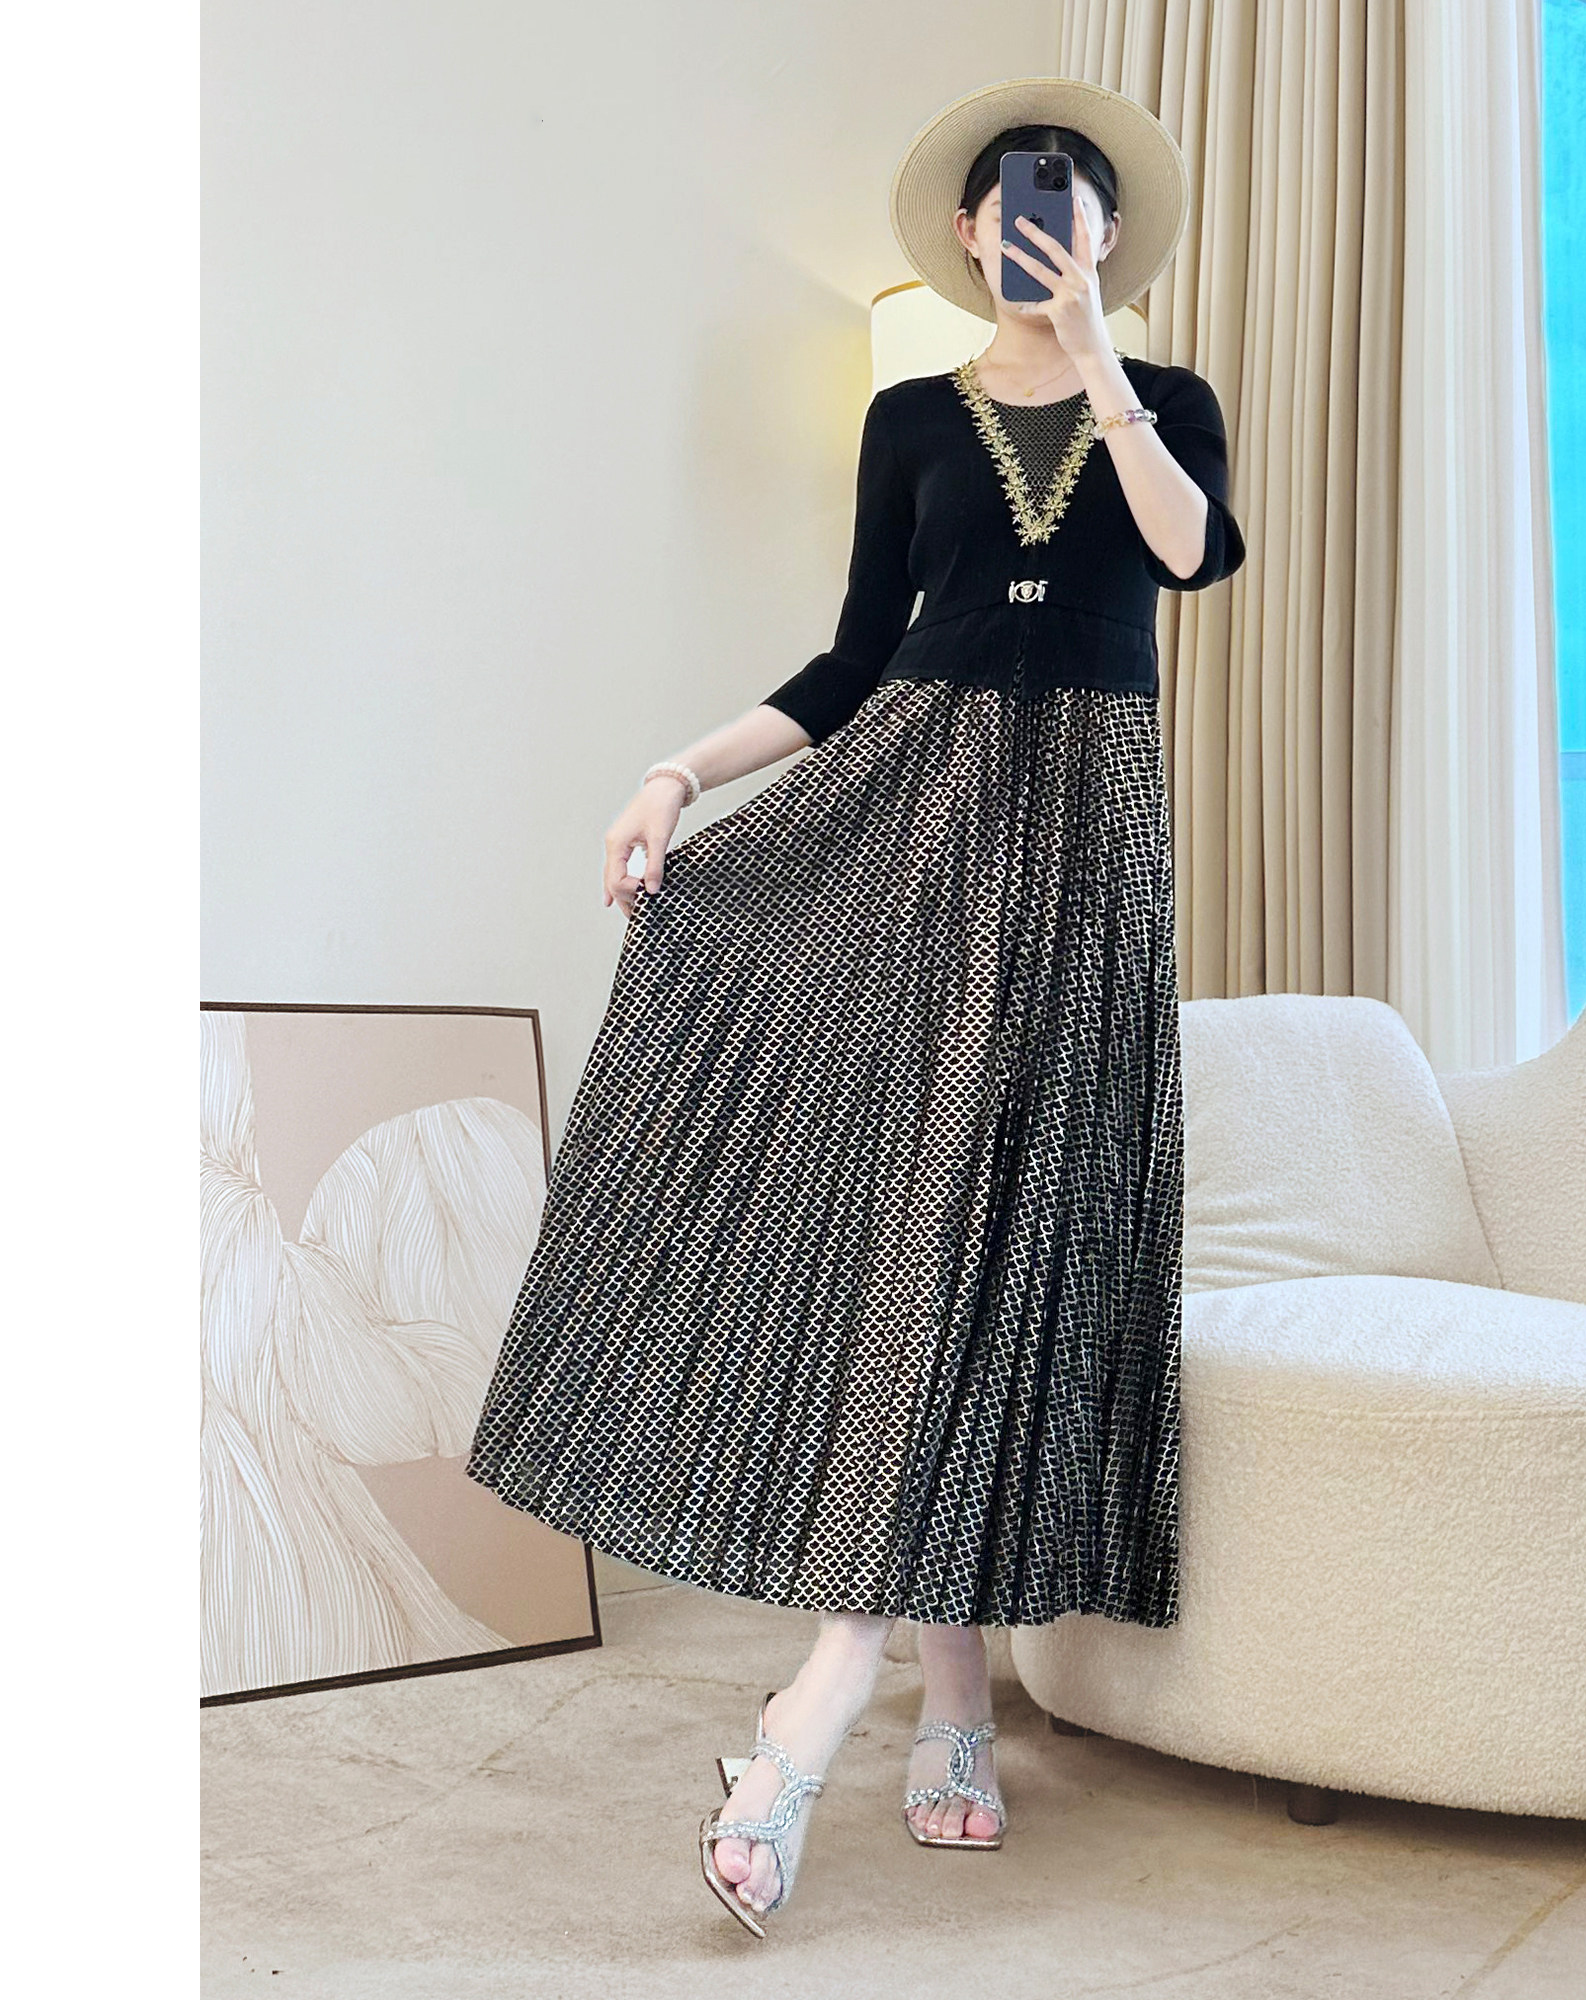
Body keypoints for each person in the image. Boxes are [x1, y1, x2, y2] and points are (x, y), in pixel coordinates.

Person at [463, 75, 1244, 1938]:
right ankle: (851, 1702)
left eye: (1071, 199)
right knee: (917, 1237)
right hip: (915, 827)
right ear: (969, 233)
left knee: (1017, 1236)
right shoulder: (911, 418)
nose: (1040, 220)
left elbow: (1193, 553)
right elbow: (850, 661)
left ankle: (936, 1692)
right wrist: (676, 775)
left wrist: (1105, 367)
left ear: (1106, 235)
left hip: (1088, 855)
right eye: (1012, 199)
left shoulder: (1170, 399)